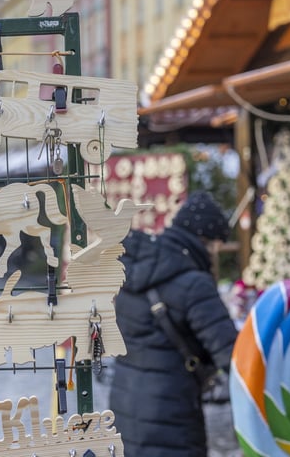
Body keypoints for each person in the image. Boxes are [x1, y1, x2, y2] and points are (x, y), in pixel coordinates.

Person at [109, 191, 238, 457]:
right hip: (171, 414)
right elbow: (233, 357)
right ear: (205, 241)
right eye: (215, 245)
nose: (215, 254)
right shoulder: (194, 284)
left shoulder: (128, 271)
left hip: (125, 405)